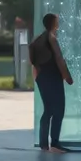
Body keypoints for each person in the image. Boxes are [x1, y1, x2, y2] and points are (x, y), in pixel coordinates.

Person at [29, 12, 72, 151]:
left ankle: (44, 143)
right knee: (59, 109)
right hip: (53, 76)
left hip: (42, 76)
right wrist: (67, 76)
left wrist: (37, 76)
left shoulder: (38, 39)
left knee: (48, 109)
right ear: (54, 23)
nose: (58, 23)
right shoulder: (51, 38)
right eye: (57, 21)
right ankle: (54, 142)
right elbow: (59, 58)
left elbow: (33, 60)